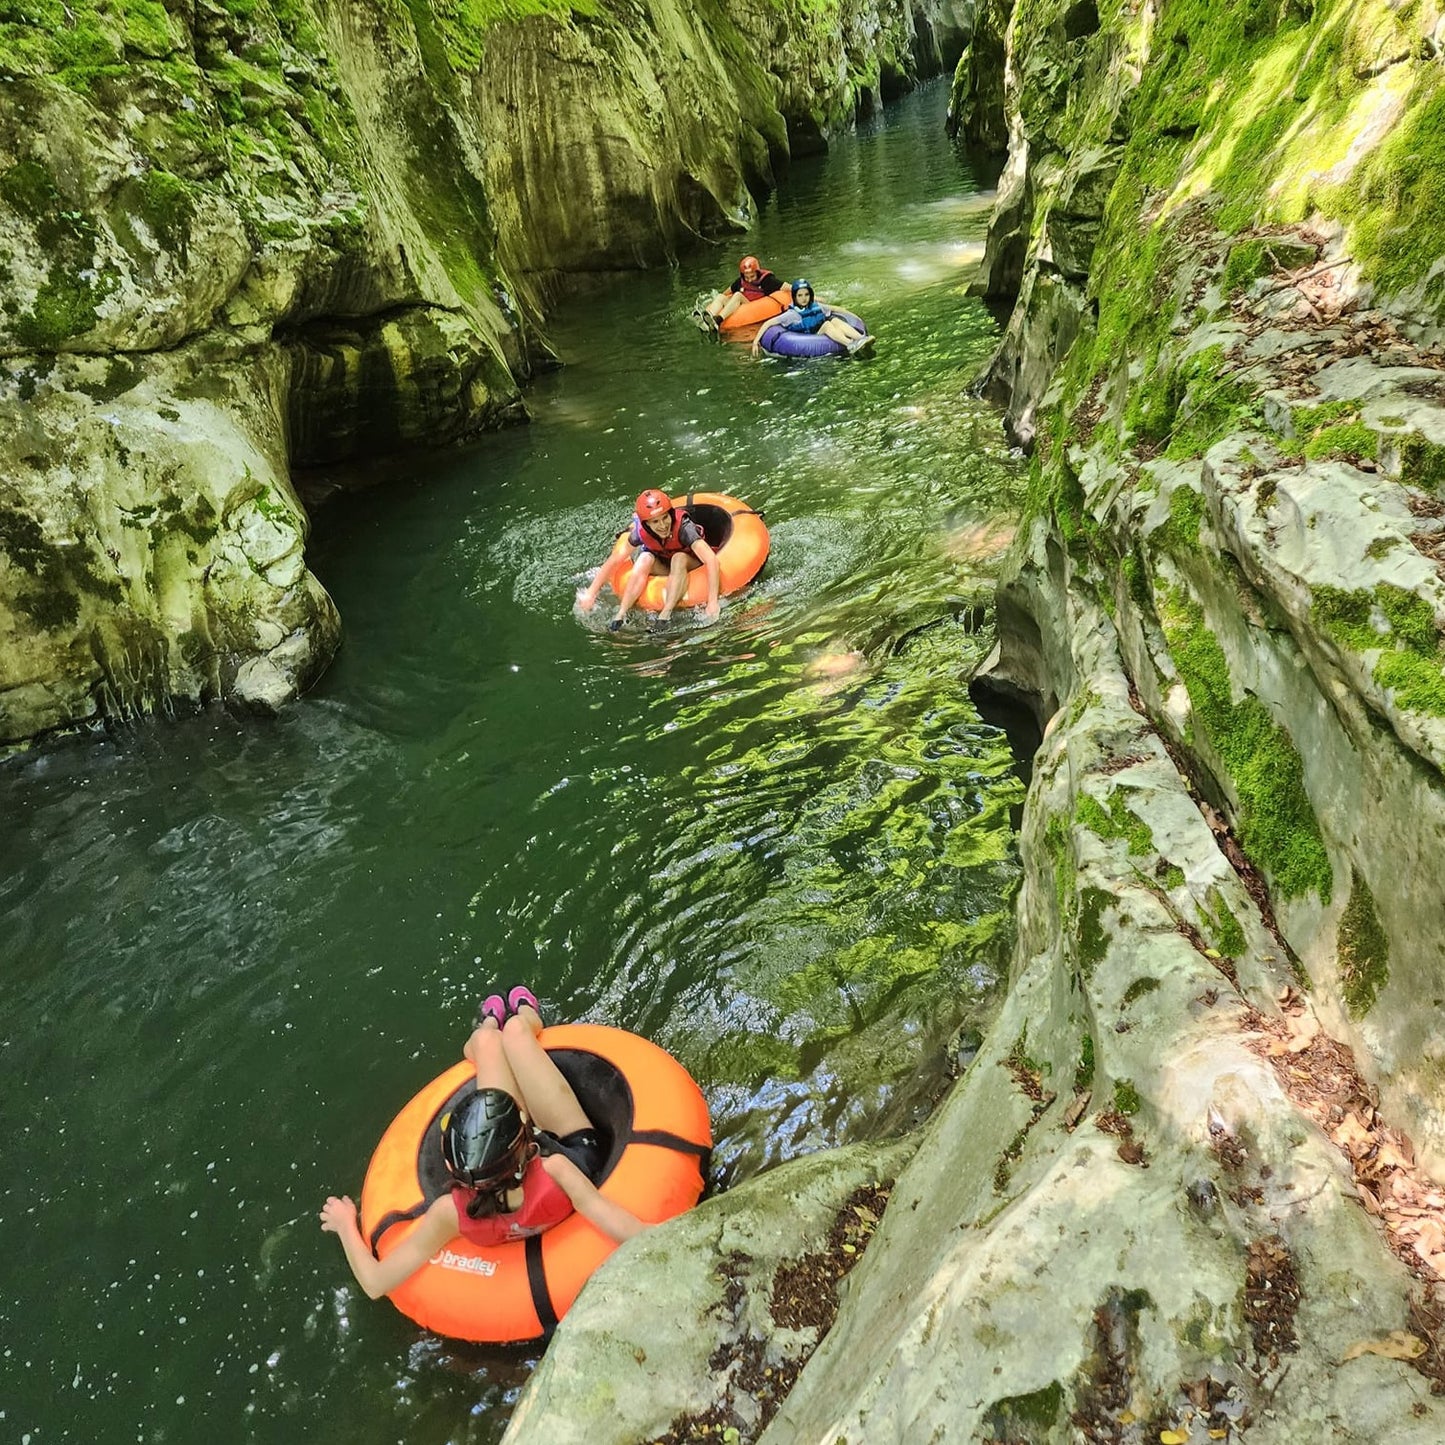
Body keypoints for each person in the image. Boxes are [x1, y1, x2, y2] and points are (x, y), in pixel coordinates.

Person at [320, 986, 647, 1299]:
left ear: (456, 1168)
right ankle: (522, 1015)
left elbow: (376, 1283)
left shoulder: (451, 1214)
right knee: (518, 1033)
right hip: (574, 1150)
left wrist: (346, 1225)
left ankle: (489, 1023)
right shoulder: (557, 1169)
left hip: (511, 1162)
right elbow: (616, 1222)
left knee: (486, 1042)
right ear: (528, 1140)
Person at [576, 488, 721, 630]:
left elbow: (711, 560)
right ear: (647, 524)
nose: (663, 525)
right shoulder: (640, 533)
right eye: (655, 522)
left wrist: (712, 602)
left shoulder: (684, 528)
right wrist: (590, 593)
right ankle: (621, 613)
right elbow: (615, 559)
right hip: (665, 567)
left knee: (678, 558)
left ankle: (665, 614)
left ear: (671, 514)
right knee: (644, 558)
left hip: (691, 564)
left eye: (665, 518)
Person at [751, 278, 875, 356]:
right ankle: (850, 344)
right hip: (809, 335)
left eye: (806, 295)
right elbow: (768, 323)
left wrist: (852, 315)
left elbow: (834, 309)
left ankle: (861, 338)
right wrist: (755, 342)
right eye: (800, 295)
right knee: (827, 325)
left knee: (835, 320)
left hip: (818, 331)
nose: (804, 298)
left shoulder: (816, 306)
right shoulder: (791, 314)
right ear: (795, 297)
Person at [700, 255, 787, 330]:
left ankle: (718, 320)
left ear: (757, 273)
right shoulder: (740, 282)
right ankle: (709, 318)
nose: (749, 280)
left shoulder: (767, 280)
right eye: (746, 277)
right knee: (720, 297)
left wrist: (799, 289)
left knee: (738, 295)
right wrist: (715, 302)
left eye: (752, 276)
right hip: (740, 305)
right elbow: (726, 292)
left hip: (754, 305)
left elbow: (786, 286)